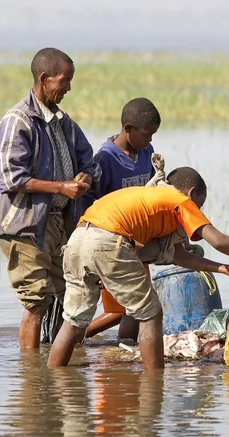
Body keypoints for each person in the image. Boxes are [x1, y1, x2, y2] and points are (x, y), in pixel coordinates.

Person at [48, 167, 229, 369]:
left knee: (74, 320)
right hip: (109, 241)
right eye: (199, 205)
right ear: (191, 193)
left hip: (77, 241)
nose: (196, 212)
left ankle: (51, 380)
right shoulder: (179, 200)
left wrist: (224, 268)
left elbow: (180, 257)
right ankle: (154, 384)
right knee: (151, 314)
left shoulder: (153, 198)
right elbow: (217, 240)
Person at [0, 48, 99, 349]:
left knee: (68, 296)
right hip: (26, 228)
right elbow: (11, 179)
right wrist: (62, 187)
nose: (68, 88)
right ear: (44, 78)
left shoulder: (64, 123)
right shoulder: (18, 121)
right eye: (64, 81)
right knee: (37, 303)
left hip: (58, 225)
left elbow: (88, 162)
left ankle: (55, 366)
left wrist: (84, 179)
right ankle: (32, 377)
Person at [81, 98, 162, 341]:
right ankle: (74, 340)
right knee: (117, 310)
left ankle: (124, 349)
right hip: (112, 246)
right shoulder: (106, 159)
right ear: (128, 129)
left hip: (138, 245)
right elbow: (87, 202)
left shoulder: (145, 152)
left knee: (136, 308)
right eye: (147, 135)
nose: (150, 141)